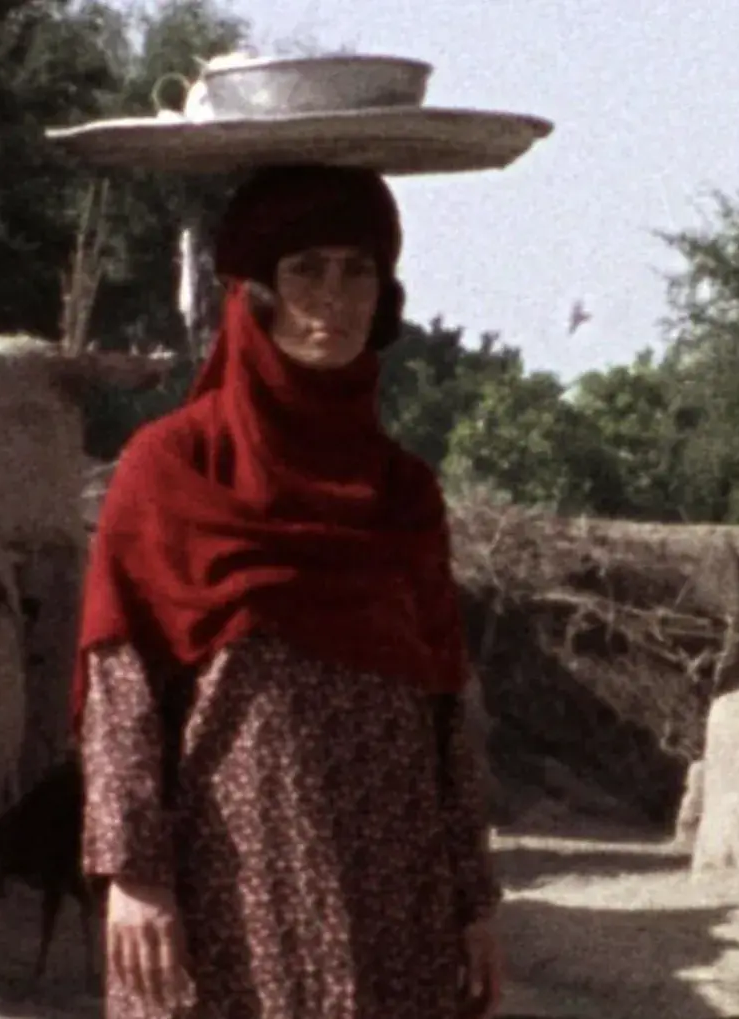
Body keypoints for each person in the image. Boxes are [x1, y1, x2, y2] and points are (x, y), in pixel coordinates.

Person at [73, 163, 505, 1019]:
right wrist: (135, 871)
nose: (333, 299)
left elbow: (444, 707)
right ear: (253, 290)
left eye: (357, 270)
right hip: (228, 881)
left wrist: (475, 898)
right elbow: (120, 683)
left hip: (396, 888)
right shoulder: (173, 466)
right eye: (306, 269)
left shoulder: (401, 491)